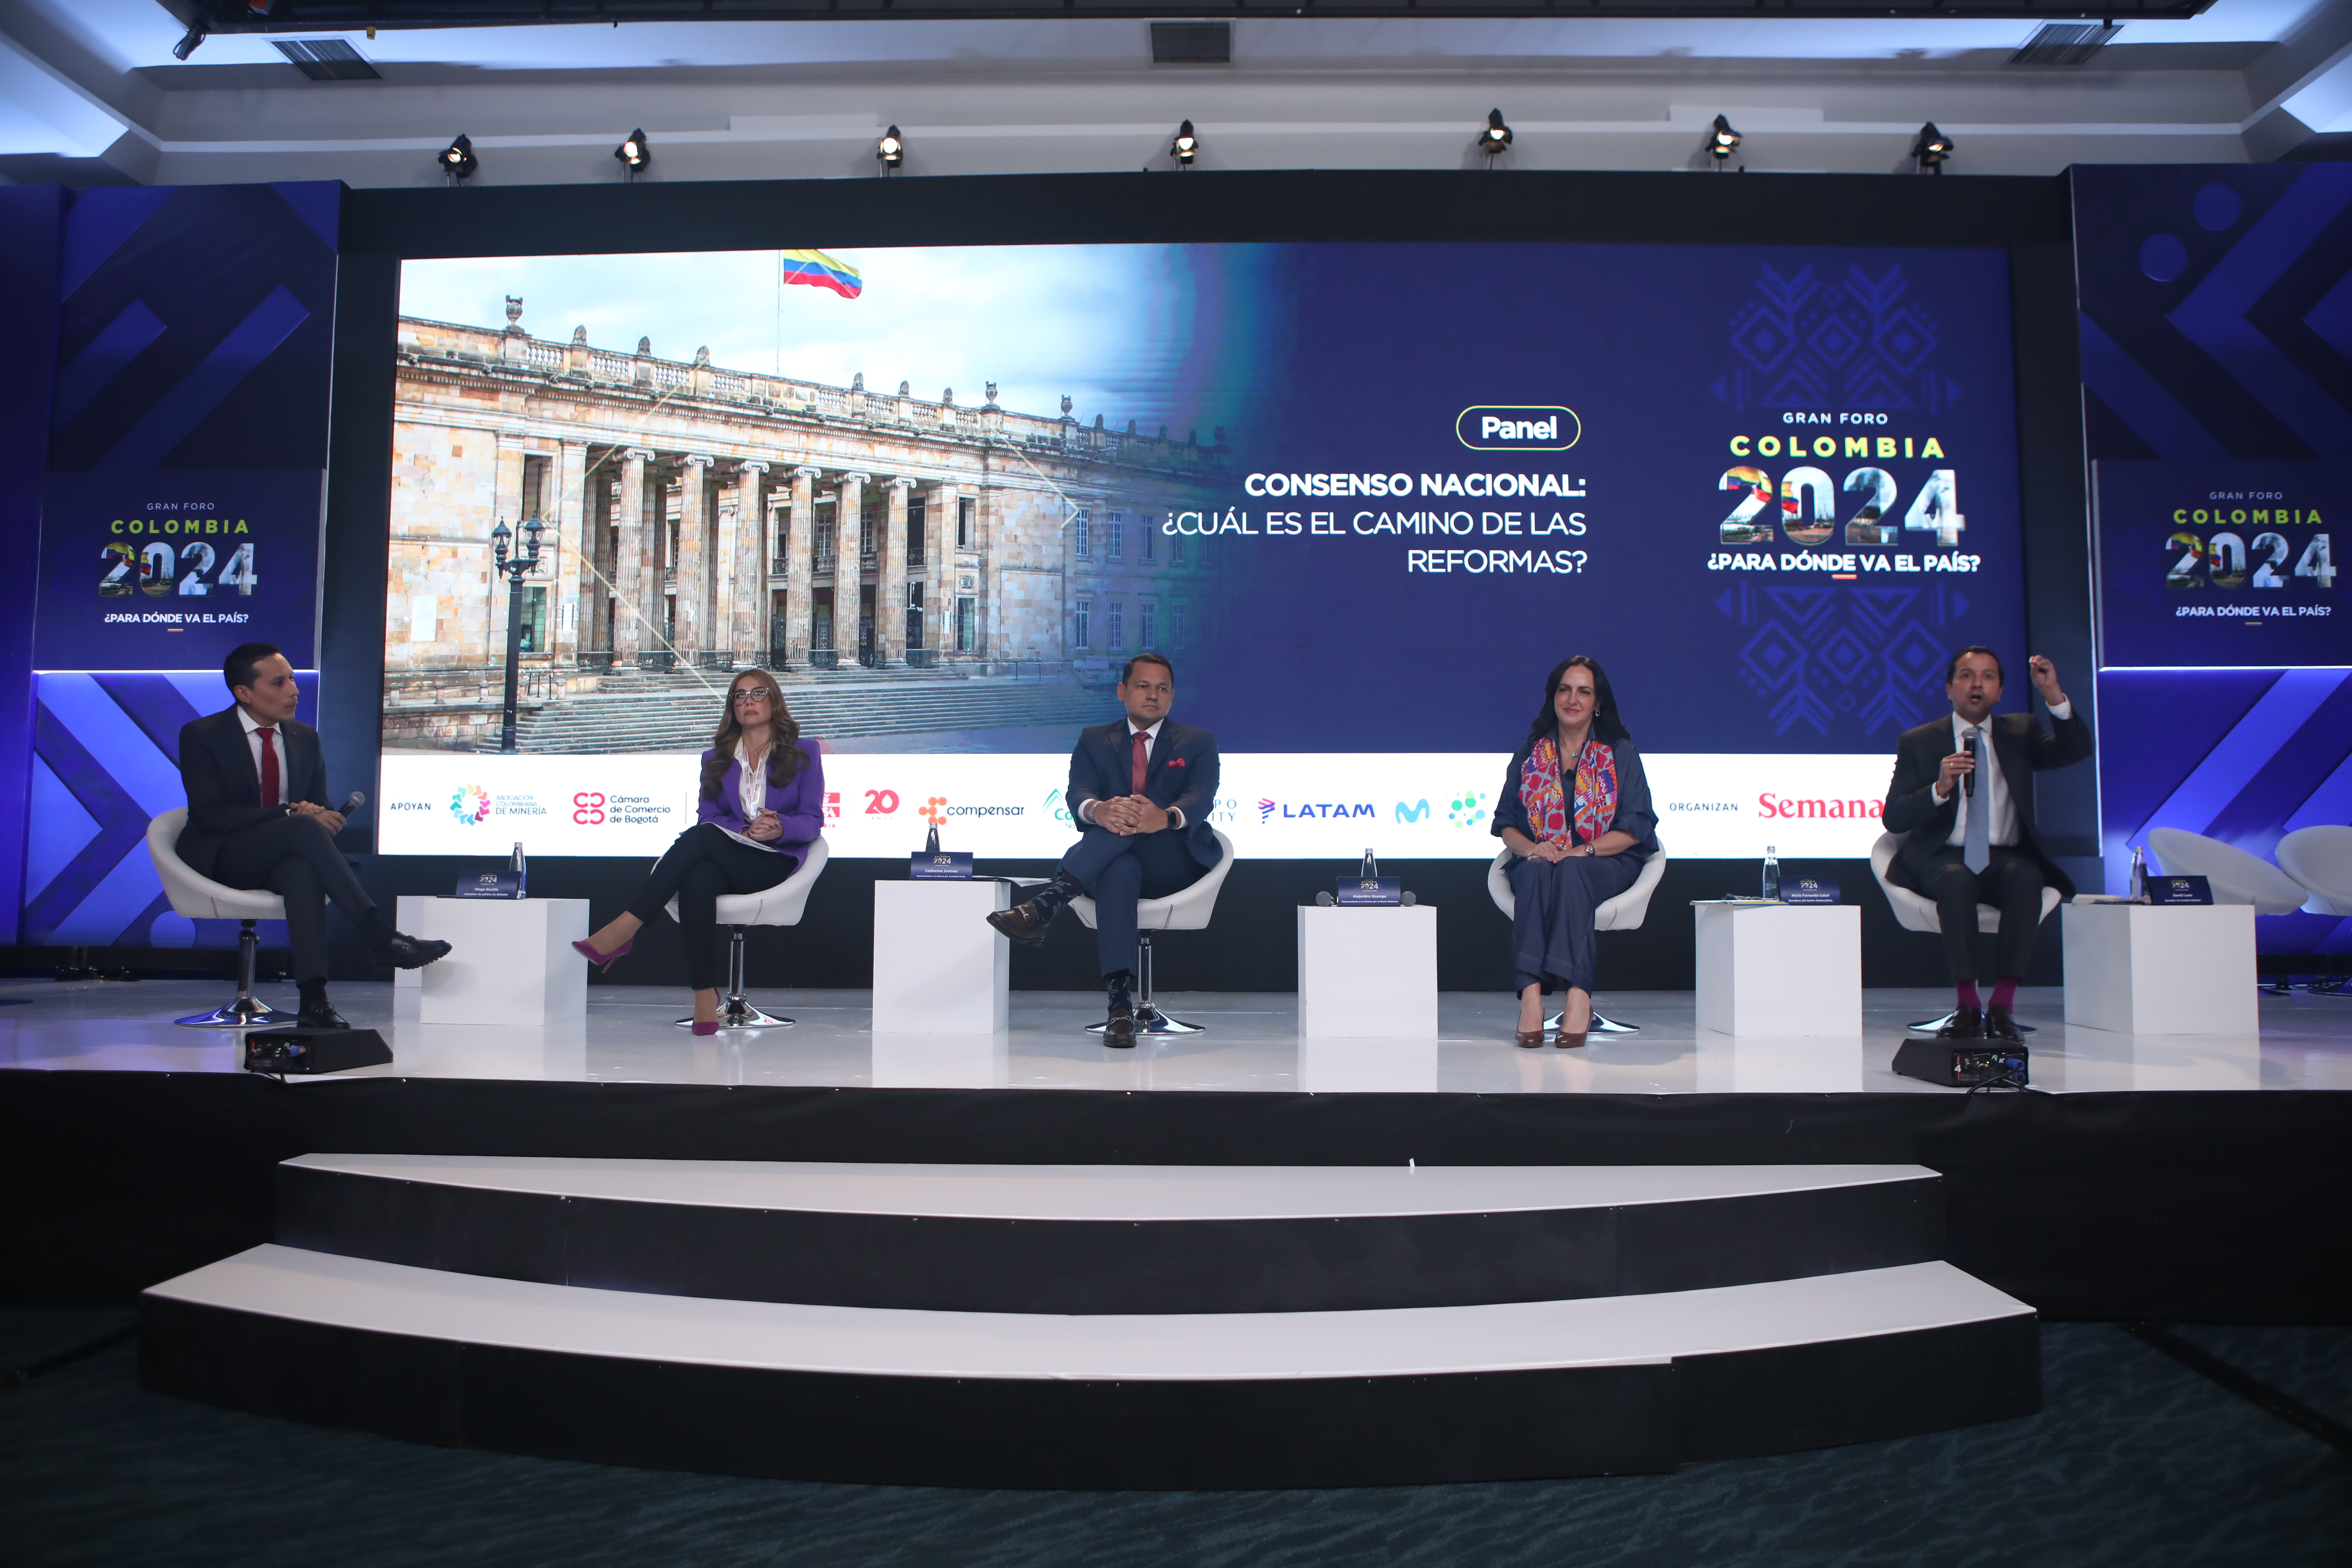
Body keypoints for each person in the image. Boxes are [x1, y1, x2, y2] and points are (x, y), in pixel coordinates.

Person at [177, 642, 450, 1028]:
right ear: (244, 693)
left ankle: (314, 1001)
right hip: (223, 854)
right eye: (279, 682)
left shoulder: (304, 737)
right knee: (302, 830)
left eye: (292, 678)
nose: (294, 690)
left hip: (284, 854)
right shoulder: (203, 735)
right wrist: (290, 814)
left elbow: (318, 804)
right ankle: (379, 936)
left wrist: (323, 816)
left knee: (302, 871)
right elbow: (211, 814)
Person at [985, 653, 1221, 1045]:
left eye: (1163, 688)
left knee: (1129, 827)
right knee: (1119, 867)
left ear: (1172, 696)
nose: (1153, 695)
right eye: (1143, 686)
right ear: (1122, 691)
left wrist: (1163, 817)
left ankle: (1047, 904)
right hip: (1111, 864)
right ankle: (1120, 1007)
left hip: (1174, 863)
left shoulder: (1198, 741)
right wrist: (1100, 810)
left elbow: (1202, 796)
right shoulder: (1094, 739)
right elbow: (1078, 792)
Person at [572, 669, 824, 1034]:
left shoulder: (804, 753)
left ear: (775, 701)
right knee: (698, 875)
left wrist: (780, 827)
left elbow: (813, 820)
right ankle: (704, 995)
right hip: (730, 853)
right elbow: (709, 815)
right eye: (740, 696)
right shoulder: (715, 759)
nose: (749, 701)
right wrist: (744, 831)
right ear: (732, 707)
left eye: (758, 693)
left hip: (773, 862)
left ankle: (626, 927)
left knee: (701, 838)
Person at [1883, 647, 2092, 1044]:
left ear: (1999, 691)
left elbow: (2076, 750)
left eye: (1988, 676)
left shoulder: (2021, 732)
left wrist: (2053, 694)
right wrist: (1940, 787)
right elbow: (1894, 817)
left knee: (2026, 877)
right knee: (1956, 881)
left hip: (2004, 855)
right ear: (1950, 689)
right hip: (1942, 856)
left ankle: (2002, 1007)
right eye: (1966, 676)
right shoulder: (1919, 742)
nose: (1977, 684)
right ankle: (1967, 1006)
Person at [1492, 656, 1658, 1050]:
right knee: (1537, 871)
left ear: (1597, 702)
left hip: (1607, 861)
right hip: (1541, 860)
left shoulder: (1620, 753)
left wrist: (1583, 852)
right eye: (1565, 690)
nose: (1573, 699)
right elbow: (1506, 824)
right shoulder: (1529, 754)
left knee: (1570, 872)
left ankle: (1578, 997)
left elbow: (1637, 824)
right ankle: (1531, 998)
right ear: (1553, 697)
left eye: (1584, 692)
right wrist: (1534, 850)